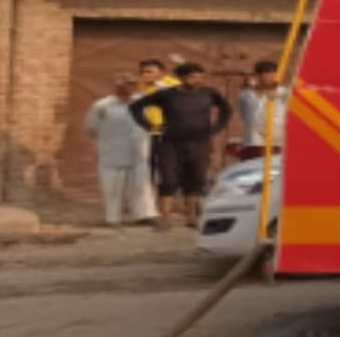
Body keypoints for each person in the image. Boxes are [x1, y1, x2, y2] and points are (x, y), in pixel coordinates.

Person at [130, 62, 232, 225]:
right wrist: (148, 125)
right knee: (169, 179)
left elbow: (226, 109)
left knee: (196, 178)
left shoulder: (209, 93)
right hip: (170, 143)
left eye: (201, 77)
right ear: (182, 78)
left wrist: (216, 127)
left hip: (199, 143)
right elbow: (136, 106)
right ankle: (165, 217)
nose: (198, 80)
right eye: (193, 77)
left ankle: (191, 217)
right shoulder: (166, 95)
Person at [84, 73, 160, 228]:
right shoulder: (102, 105)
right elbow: (91, 128)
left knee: (141, 186)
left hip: (138, 152)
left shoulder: (142, 103)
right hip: (112, 153)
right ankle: (113, 218)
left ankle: (145, 215)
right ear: (116, 86)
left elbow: (151, 123)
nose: (129, 87)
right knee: (112, 188)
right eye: (124, 84)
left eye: (132, 84)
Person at [136, 58, 178, 212]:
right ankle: (149, 206)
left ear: (161, 73)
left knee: (168, 170)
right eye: (142, 72)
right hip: (146, 134)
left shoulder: (172, 84)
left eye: (149, 72)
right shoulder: (139, 86)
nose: (145, 75)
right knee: (148, 170)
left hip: (168, 134)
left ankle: (170, 205)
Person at [236, 60, 288, 162]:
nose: (272, 78)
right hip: (252, 142)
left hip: (276, 143)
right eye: (267, 74)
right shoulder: (245, 95)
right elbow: (244, 114)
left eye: (274, 74)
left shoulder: (284, 93)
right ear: (258, 76)